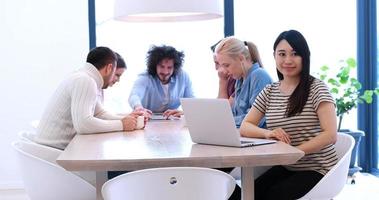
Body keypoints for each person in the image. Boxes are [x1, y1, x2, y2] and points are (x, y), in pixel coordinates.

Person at [240, 30, 338, 200]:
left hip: (318, 169)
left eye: (295, 54)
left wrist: (294, 152)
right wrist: (268, 133)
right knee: (248, 194)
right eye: (282, 54)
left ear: (304, 57)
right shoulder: (270, 91)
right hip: (288, 166)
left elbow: (330, 135)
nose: (288, 60)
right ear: (274, 56)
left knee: (273, 195)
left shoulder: (317, 88)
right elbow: (245, 126)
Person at [34, 47, 143, 150]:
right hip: (53, 153)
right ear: (109, 68)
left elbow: (100, 113)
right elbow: (83, 125)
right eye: (115, 73)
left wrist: (129, 118)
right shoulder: (85, 81)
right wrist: (122, 125)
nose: (117, 80)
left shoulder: (82, 77)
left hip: (49, 149)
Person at [214, 37, 272, 128]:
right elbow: (230, 112)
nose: (224, 71)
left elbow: (257, 121)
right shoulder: (239, 80)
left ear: (241, 58)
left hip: (259, 139)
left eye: (227, 65)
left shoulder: (259, 76)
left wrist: (226, 120)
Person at [128, 45, 194, 118]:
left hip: (172, 122)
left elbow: (191, 101)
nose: (165, 72)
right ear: (155, 65)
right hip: (147, 120)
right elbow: (134, 95)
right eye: (161, 66)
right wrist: (138, 108)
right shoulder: (145, 77)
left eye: (169, 67)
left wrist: (184, 112)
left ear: (175, 67)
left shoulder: (183, 76)